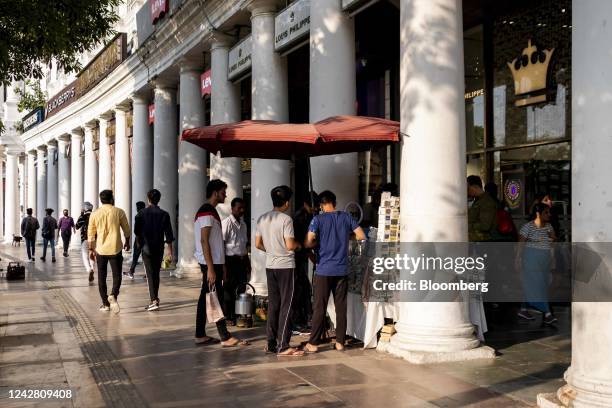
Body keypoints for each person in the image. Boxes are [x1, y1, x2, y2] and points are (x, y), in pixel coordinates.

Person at [303, 191, 366, 353]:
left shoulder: (317, 219)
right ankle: (340, 342)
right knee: (341, 307)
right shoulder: (346, 217)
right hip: (341, 270)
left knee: (319, 307)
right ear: (335, 202)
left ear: (321, 205)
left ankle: (314, 343)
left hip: (324, 270)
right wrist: (346, 237)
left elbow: (308, 242)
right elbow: (361, 235)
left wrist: (318, 242)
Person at [255, 185, 304, 357]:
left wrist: (272, 250)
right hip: (285, 266)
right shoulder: (286, 220)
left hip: (271, 265)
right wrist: (299, 245)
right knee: (287, 305)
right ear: (287, 202)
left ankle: (270, 343)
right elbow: (290, 245)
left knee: (274, 304)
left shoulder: (262, 218)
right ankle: (283, 345)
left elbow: (257, 244)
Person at [194, 179, 244, 347]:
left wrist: (221, 265)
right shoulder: (207, 212)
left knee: (206, 298)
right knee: (216, 298)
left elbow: (214, 242)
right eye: (223, 192)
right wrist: (210, 268)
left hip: (214, 263)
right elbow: (204, 241)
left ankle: (200, 334)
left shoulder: (211, 212)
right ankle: (224, 336)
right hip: (210, 264)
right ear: (215, 193)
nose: (225, 195)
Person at [88, 190, 131, 314]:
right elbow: (127, 230)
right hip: (115, 248)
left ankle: (105, 304)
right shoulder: (119, 212)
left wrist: (91, 249)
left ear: (101, 200)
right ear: (112, 199)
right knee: (117, 275)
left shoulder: (95, 214)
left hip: (100, 250)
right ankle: (113, 295)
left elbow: (90, 234)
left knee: (102, 277)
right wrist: (127, 242)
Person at [515, 203, 558, 325]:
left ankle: (523, 309)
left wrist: (553, 241)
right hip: (531, 258)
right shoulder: (527, 227)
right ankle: (548, 313)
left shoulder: (549, 227)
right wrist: (517, 259)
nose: (549, 215)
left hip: (545, 258)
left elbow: (554, 241)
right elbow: (520, 245)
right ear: (538, 214)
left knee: (540, 283)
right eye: (546, 212)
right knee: (538, 283)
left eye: (549, 212)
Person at [134, 189, 174, 311]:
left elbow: (137, 232)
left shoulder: (141, 214)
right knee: (156, 273)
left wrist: (138, 243)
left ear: (148, 199)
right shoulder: (164, 214)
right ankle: (155, 297)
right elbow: (169, 234)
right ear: (159, 199)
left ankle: (154, 300)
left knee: (150, 274)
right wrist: (170, 251)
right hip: (159, 247)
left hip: (146, 247)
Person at [292, 191, 320, 330]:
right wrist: (310, 253)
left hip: (304, 256)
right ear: (305, 204)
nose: (315, 209)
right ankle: (297, 319)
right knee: (299, 288)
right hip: (297, 256)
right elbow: (302, 242)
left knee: (305, 287)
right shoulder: (300, 218)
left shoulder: (313, 216)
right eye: (312, 206)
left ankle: (307, 316)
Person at [221, 197, 250, 325]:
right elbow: (221, 244)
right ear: (232, 209)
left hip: (242, 260)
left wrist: (248, 262)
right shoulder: (226, 223)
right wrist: (223, 266)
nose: (242, 210)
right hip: (229, 260)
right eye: (239, 208)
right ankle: (227, 316)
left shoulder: (243, 224)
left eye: (243, 208)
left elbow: (244, 245)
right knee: (228, 289)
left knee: (241, 288)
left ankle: (238, 314)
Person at [467, 175, 497, 242]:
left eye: (468, 188)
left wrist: (466, 225)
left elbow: (485, 225)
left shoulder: (486, 201)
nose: (467, 191)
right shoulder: (477, 201)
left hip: (483, 241)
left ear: (475, 187)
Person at [127, 201, 146, 279]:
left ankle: (131, 272)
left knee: (135, 256)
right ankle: (147, 273)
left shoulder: (138, 216)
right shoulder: (147, 215)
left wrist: (137, 241)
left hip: (140, 239)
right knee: (146, 257)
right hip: (147, 239)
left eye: (137, 207)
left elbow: (136, 231)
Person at [76, 202, 95, 282]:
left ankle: (89, 269)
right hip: (94, 238)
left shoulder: (83, 216)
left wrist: (81, 214)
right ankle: (93, 268)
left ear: (84, 209)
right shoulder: (95, 215)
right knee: (92, 254)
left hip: (85, 238)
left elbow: (77, 226)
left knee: (85, 256)